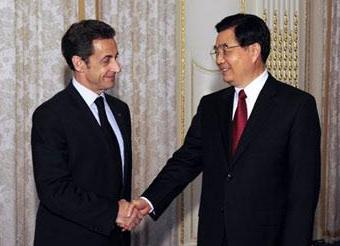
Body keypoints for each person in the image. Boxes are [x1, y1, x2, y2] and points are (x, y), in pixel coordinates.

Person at [131, 13, 321, 246]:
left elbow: (303, 191)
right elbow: (185, 161)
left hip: (267, 238)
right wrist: (148, 200)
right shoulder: (211, 106)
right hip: (215, 235)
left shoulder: (296, 106)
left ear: (253, 51)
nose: (219, 59)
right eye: (216, 51)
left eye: (225, 50)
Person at [31, 19, 141, 246]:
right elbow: (54, 190)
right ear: (79, 63)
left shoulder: (121, 110)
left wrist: (124, 215)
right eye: (106, 60)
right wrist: (113, 212)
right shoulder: (51, 115)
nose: (117, 67)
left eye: (116, 57)